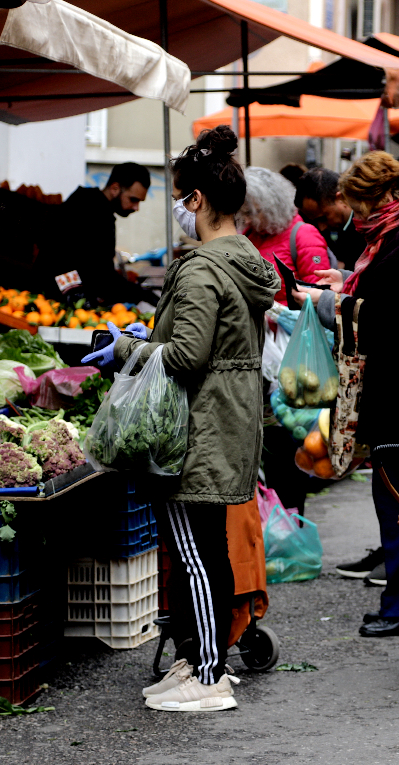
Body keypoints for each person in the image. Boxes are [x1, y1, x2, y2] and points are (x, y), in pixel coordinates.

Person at [84, 125, 280, 712]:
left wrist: (126, 349)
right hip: (231, 417)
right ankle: (197, 660)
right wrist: (153, 336)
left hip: (200, 426)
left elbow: (190, 356)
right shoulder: (243, 258)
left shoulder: (199, 268)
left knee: (194, 554)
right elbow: (207, 343)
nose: (176, 208)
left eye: (178, 197)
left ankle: (211, 676)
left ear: (195, 200)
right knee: (210, 550)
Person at [295, 152, 399, 639]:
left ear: (379, 198)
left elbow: (386, 322)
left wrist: (328, 304)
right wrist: (348, 286)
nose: (355, 217)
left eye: (359, 206)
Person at [40, 162, 152, 305]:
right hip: (58, 300)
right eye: (133, 200)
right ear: (115, 188)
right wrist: (139, 293)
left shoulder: (85, 201)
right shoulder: (96, 214)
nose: (136, 208)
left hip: (59, 295)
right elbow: (101, 275)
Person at [240, 167, 330, 305]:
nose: (247, 220)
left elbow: (319, 293)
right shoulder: (249, 234)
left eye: (251, 213)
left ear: (272, 206)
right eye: (243, 213)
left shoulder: (304, 236)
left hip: (290, 324)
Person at [295, 167, 365, 269]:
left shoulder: (367, 230)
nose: (322, 227)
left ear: (340, 198)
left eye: (323, 217)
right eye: (314, 221)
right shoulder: (327, 230)